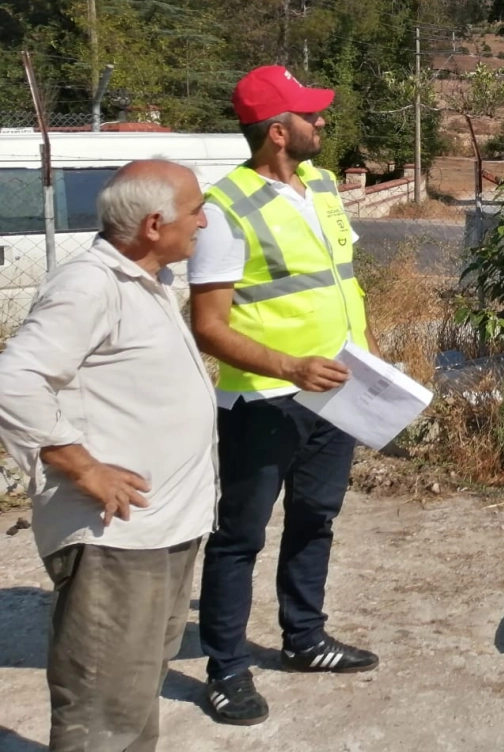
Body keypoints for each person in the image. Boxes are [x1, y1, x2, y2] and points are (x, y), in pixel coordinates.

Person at [0, 160, 215, 752]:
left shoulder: (147, 280)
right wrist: (83, 466)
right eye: (195, 208)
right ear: (153, 224)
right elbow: (14, 380)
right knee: (101, 709)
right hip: (115, 540)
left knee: (133, 692)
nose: (203, 219)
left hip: (161, 530)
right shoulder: (89, 285)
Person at [190, 66, 381, 727]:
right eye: (310, 115)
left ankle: (304, 640)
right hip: (265, 401)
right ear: (278, 132)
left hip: (336, 393)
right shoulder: (222, 210)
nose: (322, 122)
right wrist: (289, 366)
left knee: (315, 521)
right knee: (239, 538)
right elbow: (208, 325)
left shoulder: (324, 186)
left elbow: (339, 281)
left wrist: (365, 359)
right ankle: (226, 672)